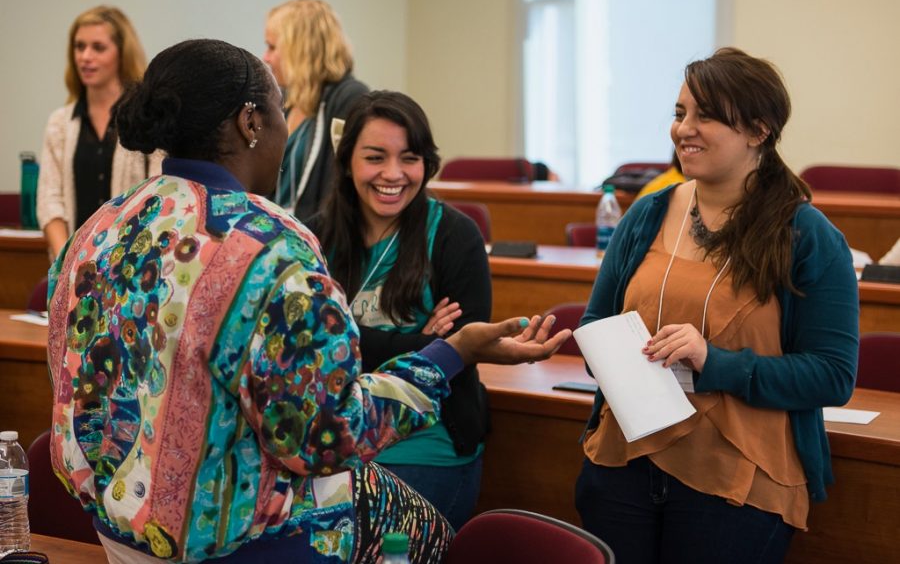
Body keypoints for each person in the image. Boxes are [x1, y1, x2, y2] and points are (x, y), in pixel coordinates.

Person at [46, 38, 570, 564]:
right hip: (239, 541)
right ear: (251, 123)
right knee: (425, 536)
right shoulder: (268, 246)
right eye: (281, 110)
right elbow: (327, 436)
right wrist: (448, 355)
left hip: (120, 531)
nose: (286, 128)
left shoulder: (100, 226)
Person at [574, 47, 858, 564]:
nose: (684, 128)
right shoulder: (648, 214)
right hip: (625, 460)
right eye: (680, 113)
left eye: (706, 115)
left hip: (737, 475)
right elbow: (597, 322)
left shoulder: (806, 235)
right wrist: (611, 353)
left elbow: (832, 376)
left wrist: (714, 362)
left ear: (758, 130)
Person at [312, 91, 496, 530]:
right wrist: (424, 344)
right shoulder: (316, 237)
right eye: (375, 157)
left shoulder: (455, 235)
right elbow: (309, 352)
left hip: (426, 444)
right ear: (347, 162)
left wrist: (346, 336)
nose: (393, 174)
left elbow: (462, 352)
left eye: (409, 158)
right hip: (336, 440)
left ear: (426, 165)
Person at [37, 5, 162, 259]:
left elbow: (158, 194)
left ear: (122, 54)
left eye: (98, 47)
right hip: (73, 267)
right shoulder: (60, 123)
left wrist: (121, 261)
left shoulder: (147, 117)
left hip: (131, 264)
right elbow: (50, 202)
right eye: (79, 46)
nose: (85, 56)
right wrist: (67, 261)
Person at [263, 0, 369, 221]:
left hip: (315, 239)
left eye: (272, 47)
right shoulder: (284, 102)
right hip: (276, 232)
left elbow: (340, 189)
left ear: (300, 49)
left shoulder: (349, 98)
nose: (266, 57)